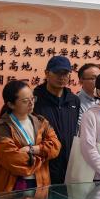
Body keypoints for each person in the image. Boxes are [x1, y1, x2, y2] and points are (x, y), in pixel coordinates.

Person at [0, 80, 61, 193]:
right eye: (25, 101)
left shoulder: (41, 122)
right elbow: (14, 160)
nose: (31, 103)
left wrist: (32, 149)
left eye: (32, 99)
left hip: (40, 184)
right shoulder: (3, 127)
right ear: (11, 104)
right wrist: (43, 155)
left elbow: (56, 146)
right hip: (12, 187)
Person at [32, 55, 81, 184]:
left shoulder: (74, 100)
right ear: (47, 73)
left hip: (69, 165)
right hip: (44, 163)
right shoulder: (34, 100)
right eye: (57, 73)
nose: (62, 77)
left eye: (65, 73)